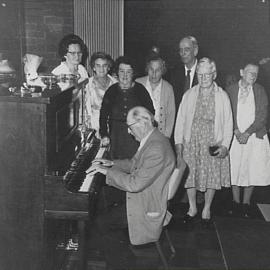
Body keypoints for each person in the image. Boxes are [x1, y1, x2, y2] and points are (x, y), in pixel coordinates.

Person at [90, 106, 175, 270]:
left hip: (147, 204)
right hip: (145, 193)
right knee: (103, 197)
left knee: (102, 223)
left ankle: (120, 262)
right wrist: (112, 163)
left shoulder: (156, 147)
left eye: (130, 127)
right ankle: (118, 251)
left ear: (142, 124)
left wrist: (106, 171)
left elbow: (134, 184)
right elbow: (134, 164)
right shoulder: (153, 138)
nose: (129, 132)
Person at [174, 57, 233, 225]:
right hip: (191, 141)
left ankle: (207, 208)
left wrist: (225, 146)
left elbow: (229, 123)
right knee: (190, 175)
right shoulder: (189, 95)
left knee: (211, 176)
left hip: (213, 141)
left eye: (207, 75)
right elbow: (180, 121)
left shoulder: (222, 96)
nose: (203, 78)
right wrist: (179, 145)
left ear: (214, 74)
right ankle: (192, 207)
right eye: (200, 75)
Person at [227, 62, 270, 218]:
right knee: (235, 168)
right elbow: (228, 112)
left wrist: (248, 133)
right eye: (250, 72)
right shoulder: (231, 90)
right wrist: (237, 131)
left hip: (253, 137)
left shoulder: (260, 90)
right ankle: (235, 202)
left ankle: (246, 204)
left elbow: (262, 116)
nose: (253, 76)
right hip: (236, 136)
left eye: (255, 73)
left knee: (251, 169)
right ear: (241, 72)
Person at [99, 56, 155, 160]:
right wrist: (104, 134)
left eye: (128, 72)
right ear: (117, 72)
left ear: (133, 73)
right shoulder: (111, 91)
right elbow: (103, 115)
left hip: (136, 138)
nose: (125, 75)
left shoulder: (140, 90)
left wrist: (143, 130)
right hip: (116, 138)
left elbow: (151, 112)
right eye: (122, 71)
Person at [136, 53, 175, 138]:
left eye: (157, 70)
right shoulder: (138, 83)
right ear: (147, 69)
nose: (154, 74)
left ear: (162, 70)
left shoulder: (168, 88)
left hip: (160, 135)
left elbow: (170, 116)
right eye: (151, 69)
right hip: (139, 134)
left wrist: (166, 138)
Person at [85, 52, 117, 134]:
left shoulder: (116, 84)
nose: (101, 69)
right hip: (94, 127)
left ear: (108, 67)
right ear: (94, 68)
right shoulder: (87, 85)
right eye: (98, 65)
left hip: (113, 126)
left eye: (104, 65)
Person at [168, 36, 199, 112]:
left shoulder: (204, 72)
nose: (183, 53)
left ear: (195, 51)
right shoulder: (173, 74)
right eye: (181, 50)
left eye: (187, 50)